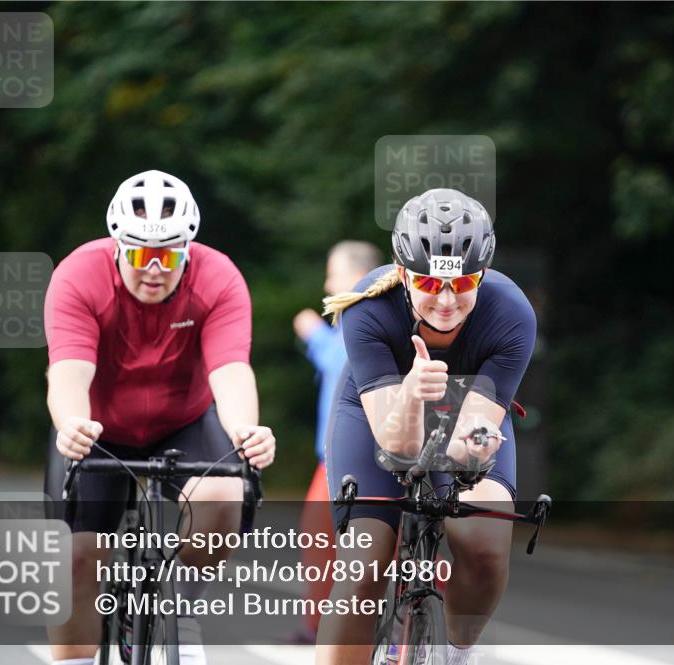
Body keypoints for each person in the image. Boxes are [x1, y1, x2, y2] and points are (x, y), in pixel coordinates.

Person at [42, 170, 276, 665]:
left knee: (224, 495)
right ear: (117, 247)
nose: (153, 269)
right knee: (77, 559)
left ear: (187, 250)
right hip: (96, 427)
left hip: (181, 421)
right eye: (139, 255)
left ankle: (177, 607)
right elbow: (67, 372)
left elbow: (231, 370)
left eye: (168, 256)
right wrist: (71, 424)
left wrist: (245, 431)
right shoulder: (78, 274)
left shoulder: (218, 277)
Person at [315, 189, 536, 665]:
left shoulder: (511, 314)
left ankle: (455, 654)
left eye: (463, 283)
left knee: (484, 543)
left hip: (467, 410)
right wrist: (413, 393)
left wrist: (475, 448)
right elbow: (396, 446)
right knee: (363, 566)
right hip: (380, 411)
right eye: (431, 284)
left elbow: (473, 433)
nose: (447, 300)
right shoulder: (369, 307)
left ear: (483, 274)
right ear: (402, 274)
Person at [291, 240, 383, 644]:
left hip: (353, 454)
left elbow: (339, 362)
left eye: (333, 274)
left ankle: (322, 629)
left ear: (356, 277)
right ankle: (320, 626)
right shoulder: (355, 318)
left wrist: (312, 333)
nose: (328, 284)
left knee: (325, 534)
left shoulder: (364, 318)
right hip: (343, 453)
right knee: (325, 535)